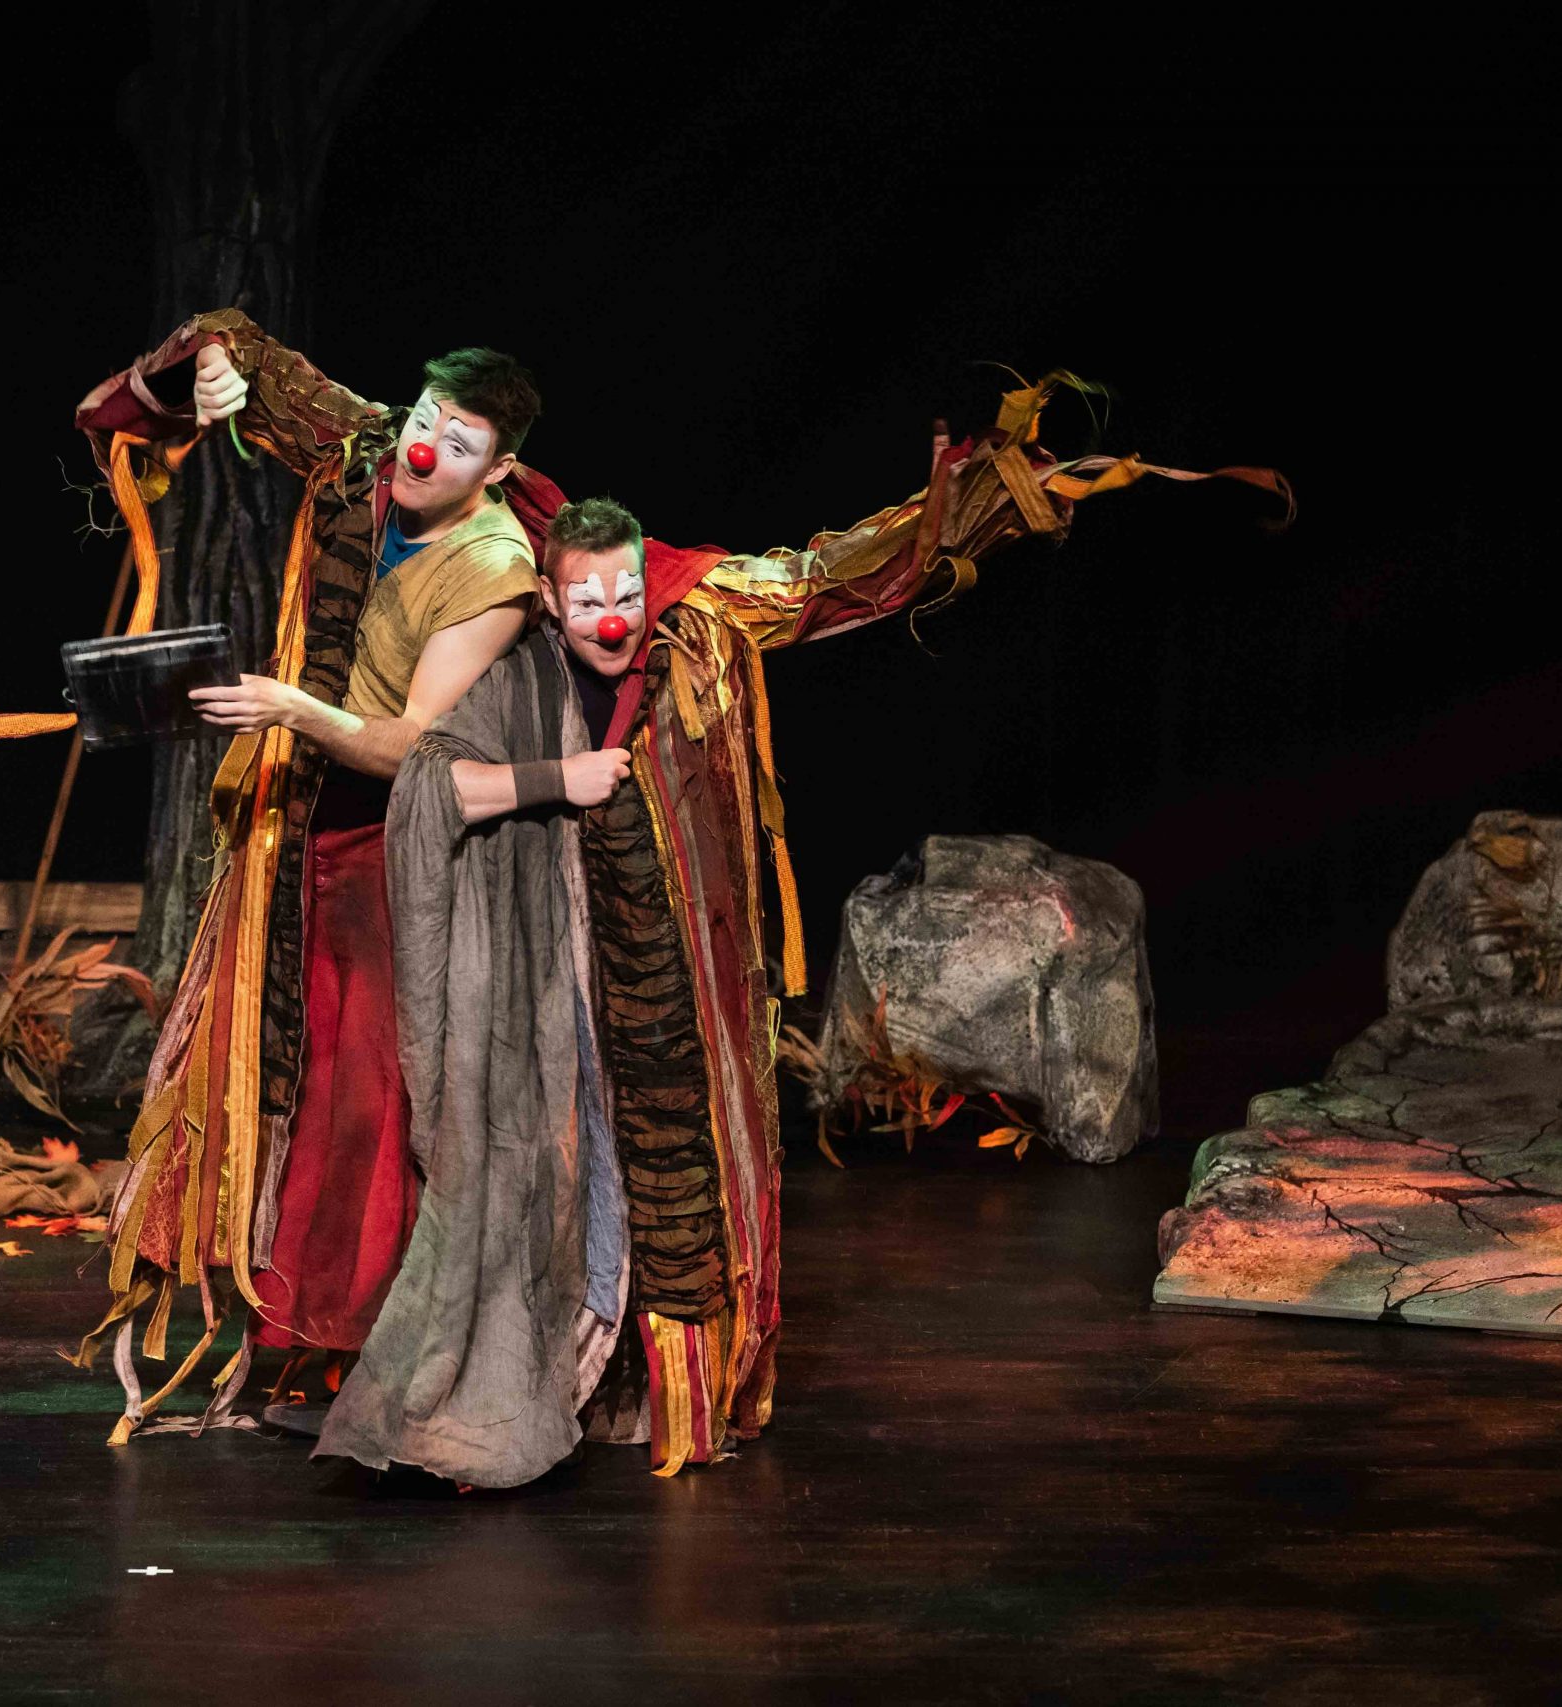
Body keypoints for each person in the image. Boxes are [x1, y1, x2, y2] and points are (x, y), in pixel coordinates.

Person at [323, 399, 1276, 1484]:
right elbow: (432, 785)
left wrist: (960, 507)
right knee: (552, 1178)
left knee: (673, 1187)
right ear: (551, 597)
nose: (611, 618)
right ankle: (543, 1379)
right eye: (586, 600)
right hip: (550, 989)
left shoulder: (694, 636)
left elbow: (828, 583)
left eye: (626, 595)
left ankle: (656, 1394)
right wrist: (557, 779)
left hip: (672, 989)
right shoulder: (516, 670)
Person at [70, 311, 562, 1431]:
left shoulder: (495, 570)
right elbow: (234, 339)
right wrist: (210, 377)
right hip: (302, 837)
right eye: (427, 417)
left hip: (402, 853)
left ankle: (362, 1349)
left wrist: (291, 709)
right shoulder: (371, 451)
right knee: (297, 1082)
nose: (426, 446)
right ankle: (296, 1332)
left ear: (501, 469)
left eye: (461, 442)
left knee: (371, 1101)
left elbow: (411, 746)